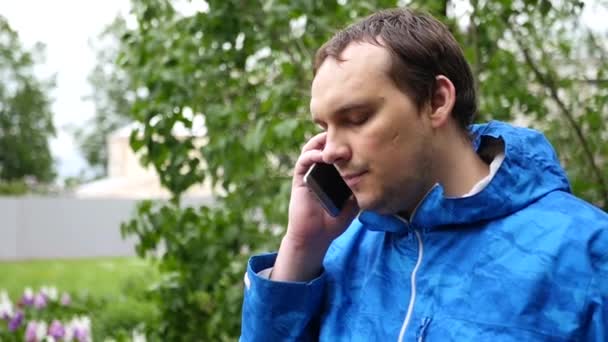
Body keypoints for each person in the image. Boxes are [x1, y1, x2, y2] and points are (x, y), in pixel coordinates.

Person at [240, 7, 608, 341]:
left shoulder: (586, 252)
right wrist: (301, 250)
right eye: (325, 126)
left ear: (436, 101)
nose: (331, 149)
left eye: (356, 118)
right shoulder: (337, 252)